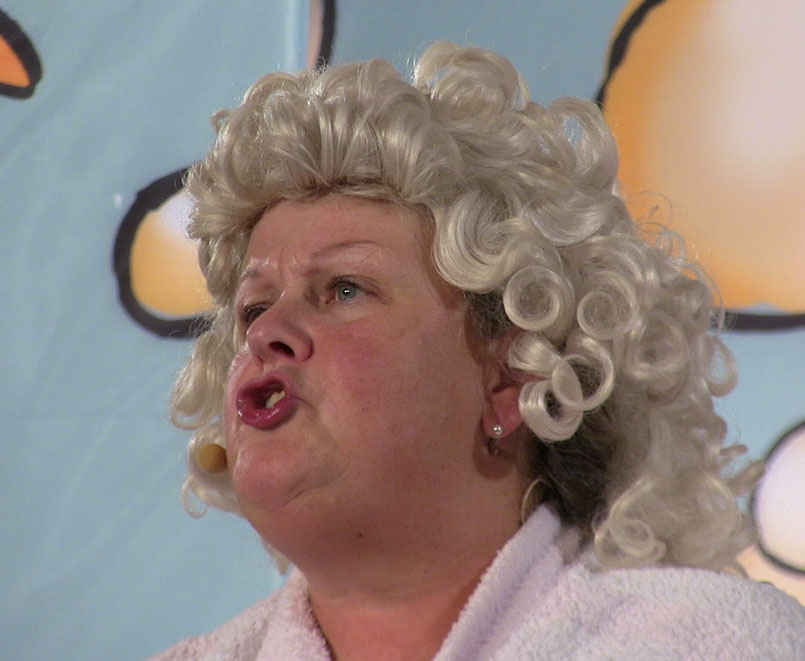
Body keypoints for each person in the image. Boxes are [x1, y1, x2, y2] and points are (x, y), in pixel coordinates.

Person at [153, 43, 805, 660]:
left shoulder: (713, 643)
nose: (267, 332)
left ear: (514, 379)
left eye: (345, 289)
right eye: (255, 307)